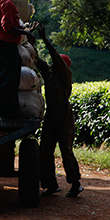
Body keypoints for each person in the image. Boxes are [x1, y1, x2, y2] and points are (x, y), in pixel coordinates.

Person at [35, 24, 83, 198]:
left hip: (64, 116)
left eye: (55, 63)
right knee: (45, 150)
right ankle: (50, 184)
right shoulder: (50, 74)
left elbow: (54, 56)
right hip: (51, 116)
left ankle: (75, 183)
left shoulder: (65, 75)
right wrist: (31, 42)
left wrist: (44, 39)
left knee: (66, 150)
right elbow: (38, 62)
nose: (51, 65)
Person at [0, 0, 36, 118]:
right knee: (10, 81)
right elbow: (8, 27)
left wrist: (24, 29)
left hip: (0, 46)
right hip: (7, 46)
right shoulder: (8, 4)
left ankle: (10, 111)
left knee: (8, 80)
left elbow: (8, 25)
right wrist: (25, 33)